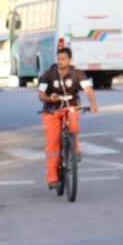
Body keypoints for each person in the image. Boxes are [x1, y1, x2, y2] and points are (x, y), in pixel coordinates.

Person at [38, 47, 98, 191]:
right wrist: (49, 98)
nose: (60, 61)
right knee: (52, 144)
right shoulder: (49, 74)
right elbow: (41, 95)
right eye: (58, 59)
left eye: (63, 59)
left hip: (70, 107)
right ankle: (52, 179)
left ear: (69, 60)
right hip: (52, 110)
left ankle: (75, 150)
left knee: (73, 124)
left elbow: (88, 89)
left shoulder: (77, 74)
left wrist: (93, 103)